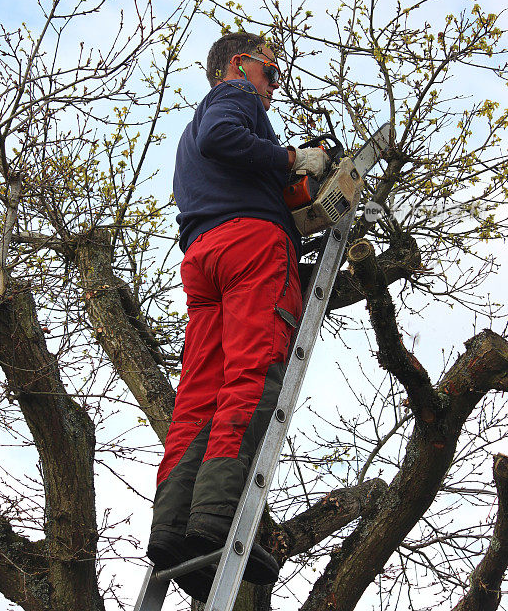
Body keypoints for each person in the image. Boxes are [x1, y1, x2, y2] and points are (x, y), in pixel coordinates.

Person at [146, 32, 328, 602]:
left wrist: (292, 184)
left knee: (199, 394)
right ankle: (216, 523)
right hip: (250, 249)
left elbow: (236, 164)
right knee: (251, 377)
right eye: (270, 73)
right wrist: (294, 158)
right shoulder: (233, 100)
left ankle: (173, 530)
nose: (273, 87)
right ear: (237, 65)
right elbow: (231, 138)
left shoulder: (189, 136)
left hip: (205, 260)